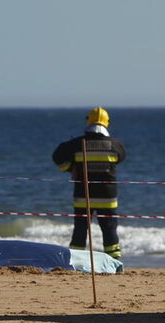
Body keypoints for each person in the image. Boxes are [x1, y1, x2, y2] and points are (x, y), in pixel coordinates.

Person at [52, 107, 126, 259]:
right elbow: (121, 157)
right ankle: (114, 261)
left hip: (83, 195)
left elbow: (57, 156)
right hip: (107, 197)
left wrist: (70, 168)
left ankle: (75, 261)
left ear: (88, 122)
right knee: (110, 229)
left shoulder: (77, 144)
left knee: (80, 229)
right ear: (107, 123)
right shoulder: (116, 145)